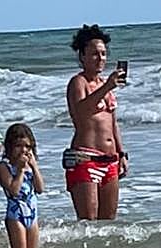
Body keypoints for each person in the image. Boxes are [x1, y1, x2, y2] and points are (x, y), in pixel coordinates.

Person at [64, 23, 127, 221]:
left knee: (108, 223)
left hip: (110, 160)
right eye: (94, 54)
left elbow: (112, 123)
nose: (100, 58)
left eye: (103, 54)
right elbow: (80, 113)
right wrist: (107, 86)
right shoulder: (78, 82)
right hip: (86, 158)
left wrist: (121, 153)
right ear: (82, 56)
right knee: (88, 223)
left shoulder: (104, 85)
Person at [0, 122, 42, 248]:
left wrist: (34, 167)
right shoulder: (5, 166)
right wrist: (21, 170)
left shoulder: (30, 165)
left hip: (32, 214)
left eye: (27, 146)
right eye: (18, 146)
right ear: (10, 147)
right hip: (16, 215)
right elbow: (14, 190)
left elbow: (40, 188)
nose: (23, 150)